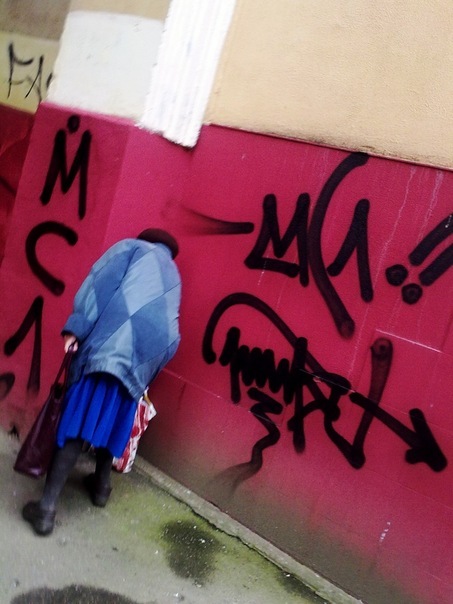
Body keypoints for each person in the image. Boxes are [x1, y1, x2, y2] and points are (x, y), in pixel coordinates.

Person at [22, 228, 181, 536]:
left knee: (78, 421)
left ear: (146, 239)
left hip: (111, 346)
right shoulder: (174, 275)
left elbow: (98, 286)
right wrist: (147, 372)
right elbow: (172, 332)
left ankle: (46, 509)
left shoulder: (132, 247)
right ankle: (101, 487)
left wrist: (76, 329)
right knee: (113, 419)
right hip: (144, 359)